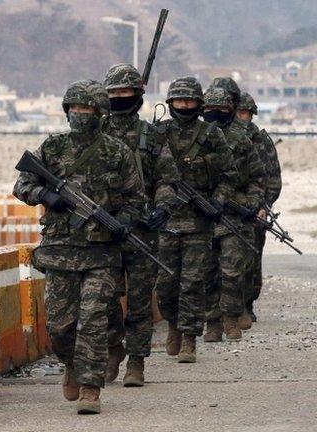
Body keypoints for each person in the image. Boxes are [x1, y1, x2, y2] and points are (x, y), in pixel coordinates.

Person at [13, 79, 146, 414]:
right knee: (60, 326)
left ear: (100, 112)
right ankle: (72, 365)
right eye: (74, 108)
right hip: (59, 252)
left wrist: (123, 223)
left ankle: (90, 388)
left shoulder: (118, 153)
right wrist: (46, 196)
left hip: (101, 254)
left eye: (86, 109)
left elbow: (135, 199)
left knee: (93, 320)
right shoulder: (53, 148)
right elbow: (22, 183)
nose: (80, 114)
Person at [100, 64, 179, 387]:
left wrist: (162, 207)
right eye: (113, 93)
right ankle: (112, 348)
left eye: (125, 92)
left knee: (140, 300)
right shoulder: (97, 133)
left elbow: (167, 179)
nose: (119, 98)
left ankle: (136, 361)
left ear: (137, 95)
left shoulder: (153, 135)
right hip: (105, 230)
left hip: (143, 229)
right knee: (104, 298)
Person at [154, 77, 236, 363]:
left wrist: (217, 202)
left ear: (199, 104)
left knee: (192, 282)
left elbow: (229, 176)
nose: (184, 106)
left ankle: (189, 337)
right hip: (165, 221)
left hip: (198, 224)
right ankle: (174, 324)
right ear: (170, 103)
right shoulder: (158, 133)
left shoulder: (211, 136)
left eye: (189, 101)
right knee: (164, 285)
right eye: (179, 101)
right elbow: (145, 175)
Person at [201, 86, 266, 342]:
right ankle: (212, 322)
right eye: (209, 110)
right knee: (207, 273)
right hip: (203, 217)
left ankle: (230, 317)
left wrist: (252, 202)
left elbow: (258, 177)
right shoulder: (195, 137)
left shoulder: (243, 140)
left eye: (220, 110)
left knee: (232, 272)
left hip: (235, 217)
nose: (215, 114)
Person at [237, 91, 282, 324]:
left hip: (255, 211)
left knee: (251, 260)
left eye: (243, 113)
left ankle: (246, 304)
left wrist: (264, 206)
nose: (239, 117)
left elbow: (273, 179)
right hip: (227, 210)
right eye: (236, 112)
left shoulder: (260, 140)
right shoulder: (218, 136)